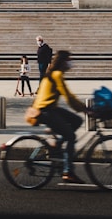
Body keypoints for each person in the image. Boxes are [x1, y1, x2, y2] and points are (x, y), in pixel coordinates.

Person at [31, 49, 87, 184]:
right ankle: (67, 171)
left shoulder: (52, 73)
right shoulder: (56, 75)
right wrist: (85, 108)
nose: (71, 63)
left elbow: (69, 96)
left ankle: (57, 143)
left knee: (77, 120)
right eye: (69, 60)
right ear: (62, 61)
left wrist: (82, 109)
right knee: (71, 136)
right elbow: (68, 96)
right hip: (45, 111)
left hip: (50, 108)